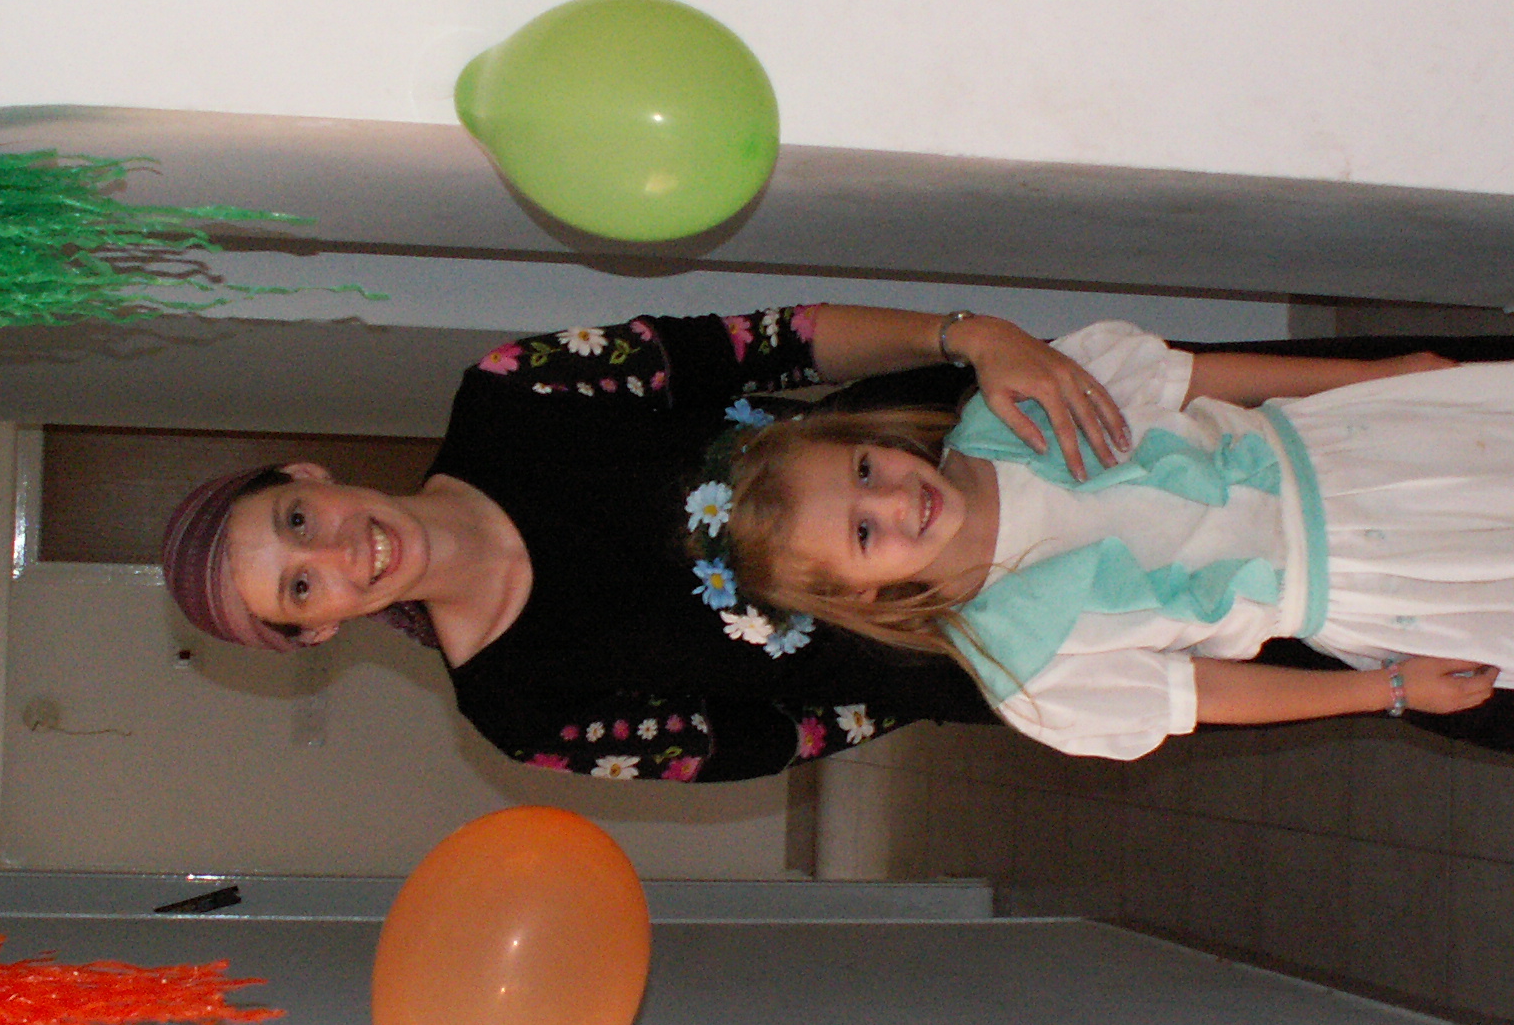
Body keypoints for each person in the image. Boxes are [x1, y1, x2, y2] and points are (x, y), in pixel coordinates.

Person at [719, 321, 1514, 768]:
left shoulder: (1015, 408)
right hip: (1368, 587)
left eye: (867, 469)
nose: (896, 500)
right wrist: (1383, 689)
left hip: (1349, 449)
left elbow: (1203, 375)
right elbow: (1208, 693)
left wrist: (1372, 374)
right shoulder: (1025, 665)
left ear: (872, 434)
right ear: (864, 594)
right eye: (867, 533)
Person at [161, 305, 1130, 782]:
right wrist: (950, 678)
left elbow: (774, 343)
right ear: (320, 629)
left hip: (999, 440)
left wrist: (970, 338)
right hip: (1029, 645)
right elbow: (772, 738)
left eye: (296, 522)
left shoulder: (514, 394)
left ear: (309, 476)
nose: (337, 554)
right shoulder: (524, 713)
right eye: (300, 589)